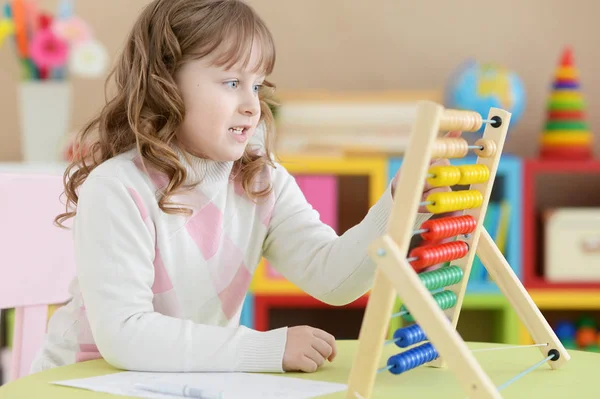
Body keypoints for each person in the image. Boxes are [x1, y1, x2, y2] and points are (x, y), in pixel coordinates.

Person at [31, 0, 456, 375]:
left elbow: (334, 277)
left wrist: (400, 206)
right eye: (232, 83)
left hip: (175, 380)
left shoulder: (260, 181)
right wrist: (267, 348)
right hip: (82, 381)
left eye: (257, 85)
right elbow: (125, 335)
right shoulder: (118, 188)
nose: (252, 104)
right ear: (166, 82)